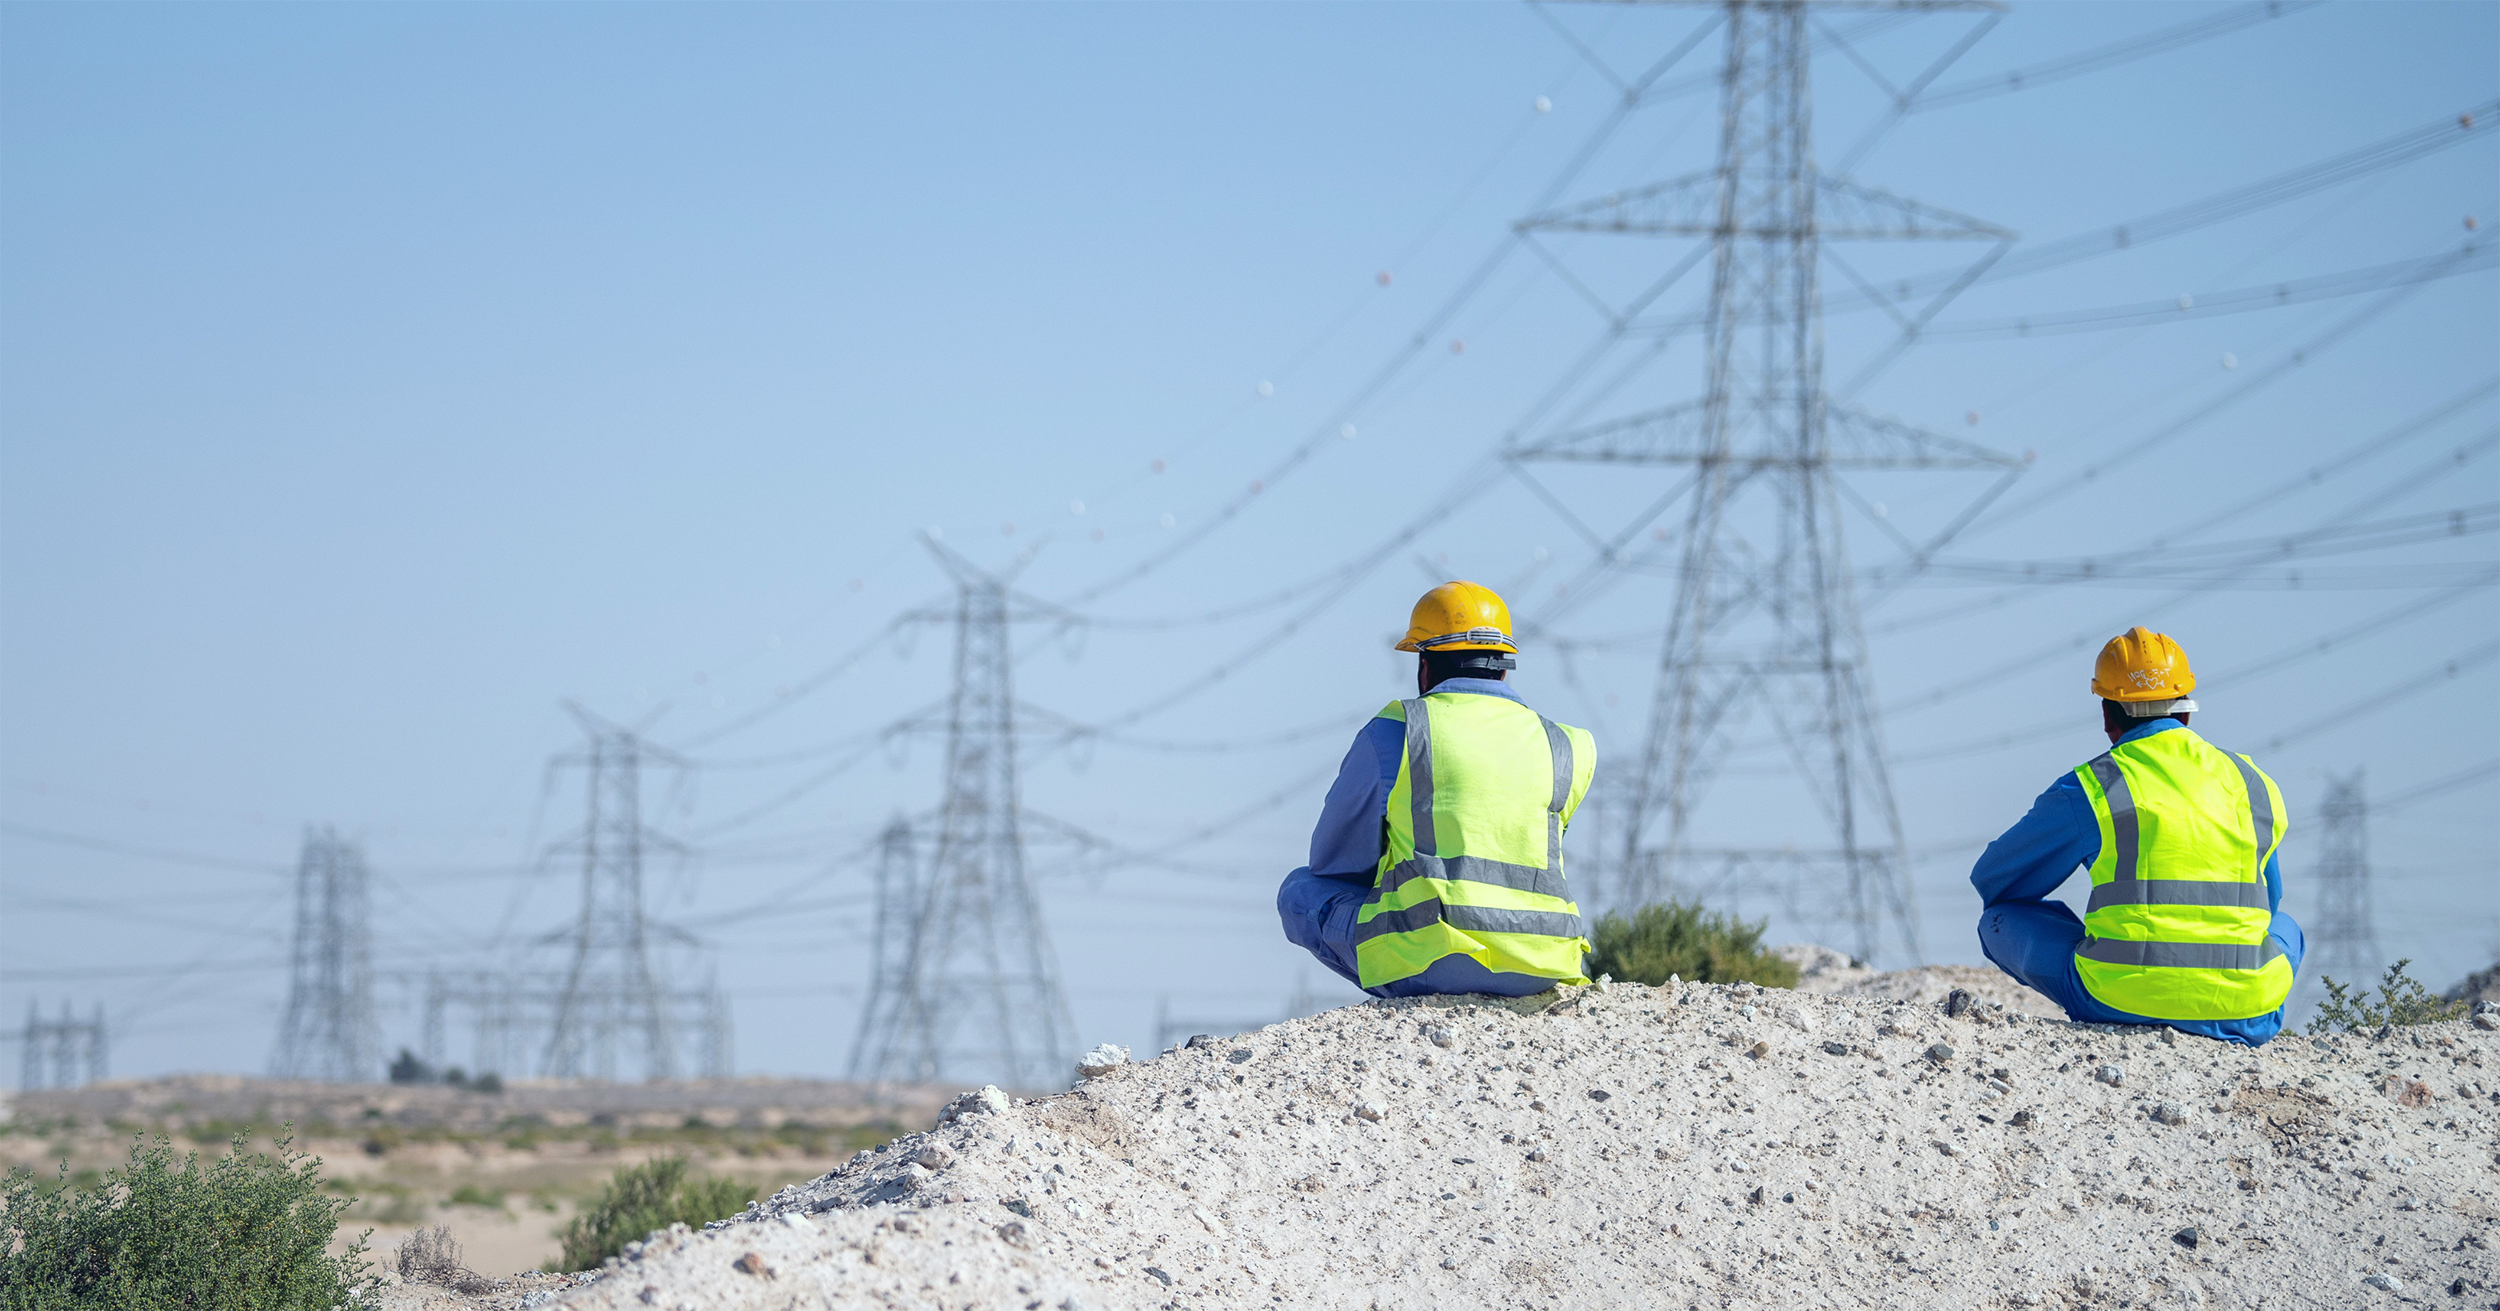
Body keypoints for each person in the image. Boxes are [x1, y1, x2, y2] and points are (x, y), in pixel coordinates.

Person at [1972, 626, 2304, 1046]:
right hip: (2248, 1010)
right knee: (2286, 926)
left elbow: (1994, 881)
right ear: (2186, 713)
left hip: (2120, 1000)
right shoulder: (2252, 781)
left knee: (1999, 920)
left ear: (2108, 717)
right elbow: (2268, 904)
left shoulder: (2093, 786)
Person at [1276, 581, 1596, 998]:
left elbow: (1334, 862)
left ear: (1423, 666)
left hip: (1434, 962)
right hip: (1544, 964)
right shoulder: (1566, 745)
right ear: (1503, 668)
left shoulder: (1399, 730)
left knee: (1301, 891)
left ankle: (1402, 1001)